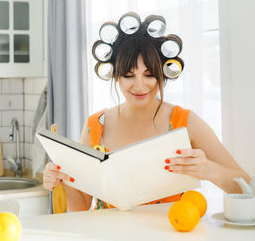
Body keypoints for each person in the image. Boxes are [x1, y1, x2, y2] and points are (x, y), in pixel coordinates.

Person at [43, 12, 251, 212]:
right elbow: (81, 205)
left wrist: (207, 169)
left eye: (149, 74)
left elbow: (246, 187)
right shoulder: (95, 126)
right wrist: (62, 179)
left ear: (162, 74)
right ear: (116, 76)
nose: (140, 85)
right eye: (129, 75)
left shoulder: (184, 122)